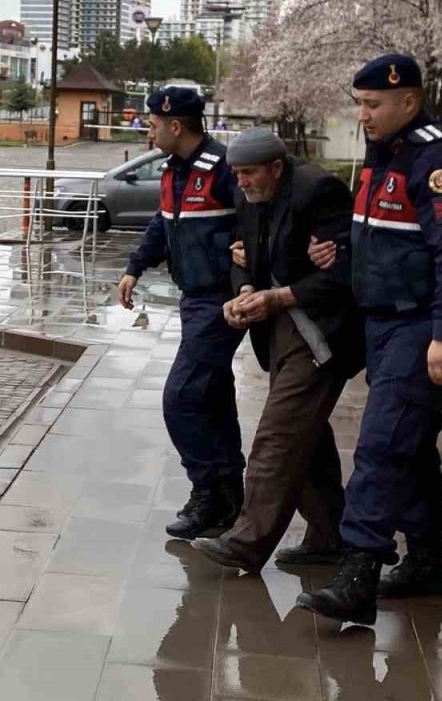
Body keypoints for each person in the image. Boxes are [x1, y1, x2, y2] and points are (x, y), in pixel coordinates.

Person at [294, 54, 442, 625]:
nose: (363, 115)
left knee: (382, 442)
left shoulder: (437, 161)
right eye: (358, 103)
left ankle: (360, 571)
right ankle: (426, 560)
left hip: (422, 324)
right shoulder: (385, 159)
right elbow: (391, 242)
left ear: (409, 101)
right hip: (384, 323)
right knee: (410, 441)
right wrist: (340, 254)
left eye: (373, 104)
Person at [188, 128, 362, 573]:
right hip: (279, 332)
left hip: (322, 333)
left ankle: (246, 543)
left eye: (248, 174)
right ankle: (329, 536)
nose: (240, 183)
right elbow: (243, 256)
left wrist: (276, 297)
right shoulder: (249, 194)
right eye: (237, 174)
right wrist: (244, 290)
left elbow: (344, 273)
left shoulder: (319, 191)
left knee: (277, 436)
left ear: (277, 169)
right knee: (307, 435)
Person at [117, 87, 246, 541]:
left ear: (176, 125)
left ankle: (208, 492)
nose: (148, 131)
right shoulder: (174, 170)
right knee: (210, 394)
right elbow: (162, 223)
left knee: (181, 396)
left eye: (152, 124)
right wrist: (135, 266)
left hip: (221, 301)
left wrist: (245, 274)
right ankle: (231, 496)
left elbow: (256, 222)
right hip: (193, 298)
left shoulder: (223, 168)